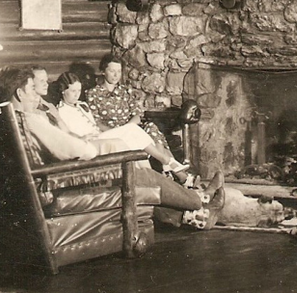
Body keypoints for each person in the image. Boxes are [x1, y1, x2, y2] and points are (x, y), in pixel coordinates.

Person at [0, 66, 225, 230]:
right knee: (140, 173)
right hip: (69, 176)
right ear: (20, 93)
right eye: (32, 88)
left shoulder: (11, 119)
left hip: (57, 177)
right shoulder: (31, 120)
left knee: (136, 175)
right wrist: (94, 147)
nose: (37, 94)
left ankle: (195, 216)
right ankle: (199, 200)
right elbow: (79, 150)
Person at [55, 71, 193, 183]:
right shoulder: (61, 111)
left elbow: (94, 123)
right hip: (89, 143)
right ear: (63, 91)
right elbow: (67, 136)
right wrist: (82, 137)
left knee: (134, 136)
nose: (77, 94)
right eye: (73, 91)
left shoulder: (82, 105)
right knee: (131, 129)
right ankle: (165, 160)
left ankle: (154, 177)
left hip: (98, 135)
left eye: (78, 90)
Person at [85, 55, 191, 179]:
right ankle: (179, 173)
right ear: (103, 71)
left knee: (151, 126)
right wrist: (123, 131)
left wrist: (129, 128)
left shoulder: (125, 91)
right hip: (111, 132)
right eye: (112, 71)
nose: (116, 75)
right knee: (136, 132)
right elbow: (97, 122)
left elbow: (137, 115)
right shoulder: (93, 94)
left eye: (119, 71)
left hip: (131, 128)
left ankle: (167, 167)